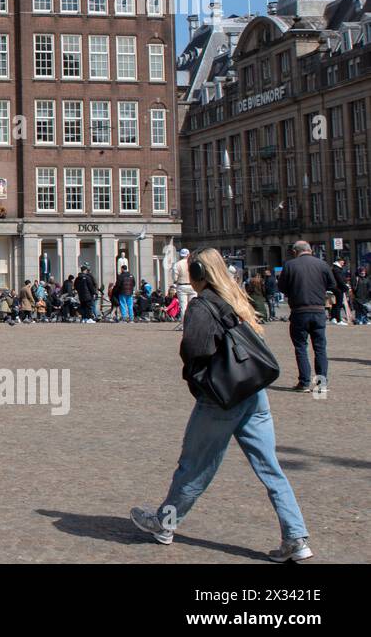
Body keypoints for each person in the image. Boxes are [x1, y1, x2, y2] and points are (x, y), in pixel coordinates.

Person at [131, 248, 313, 562]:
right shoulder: (236, 297)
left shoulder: (202, 306)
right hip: (254, 392)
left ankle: (165, 523)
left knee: (193, 467)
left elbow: (194, 348)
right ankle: (296, 538)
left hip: (221, 397)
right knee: (271, 469)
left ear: (197, 274)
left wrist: (196, 381)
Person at [277, 240, 336, 393]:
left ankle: (304, 383)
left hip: (299, 311)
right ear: (310, 250)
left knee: (301, 347)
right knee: (320, 348)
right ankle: (321, 385)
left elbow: (281, 287)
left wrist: (293, 290)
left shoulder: (290, 265)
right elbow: (332, 285)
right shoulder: (322, 265)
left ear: (296, 252)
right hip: (318, 310)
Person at [173, 248, 195, 324]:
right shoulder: (193, 263)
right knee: (193, 306)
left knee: (183, 306)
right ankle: (193, 323)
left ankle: (184, 324)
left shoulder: (177, 264)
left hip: (182, 286)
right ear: (188, 255)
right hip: (192, 286)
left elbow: (174, 278)